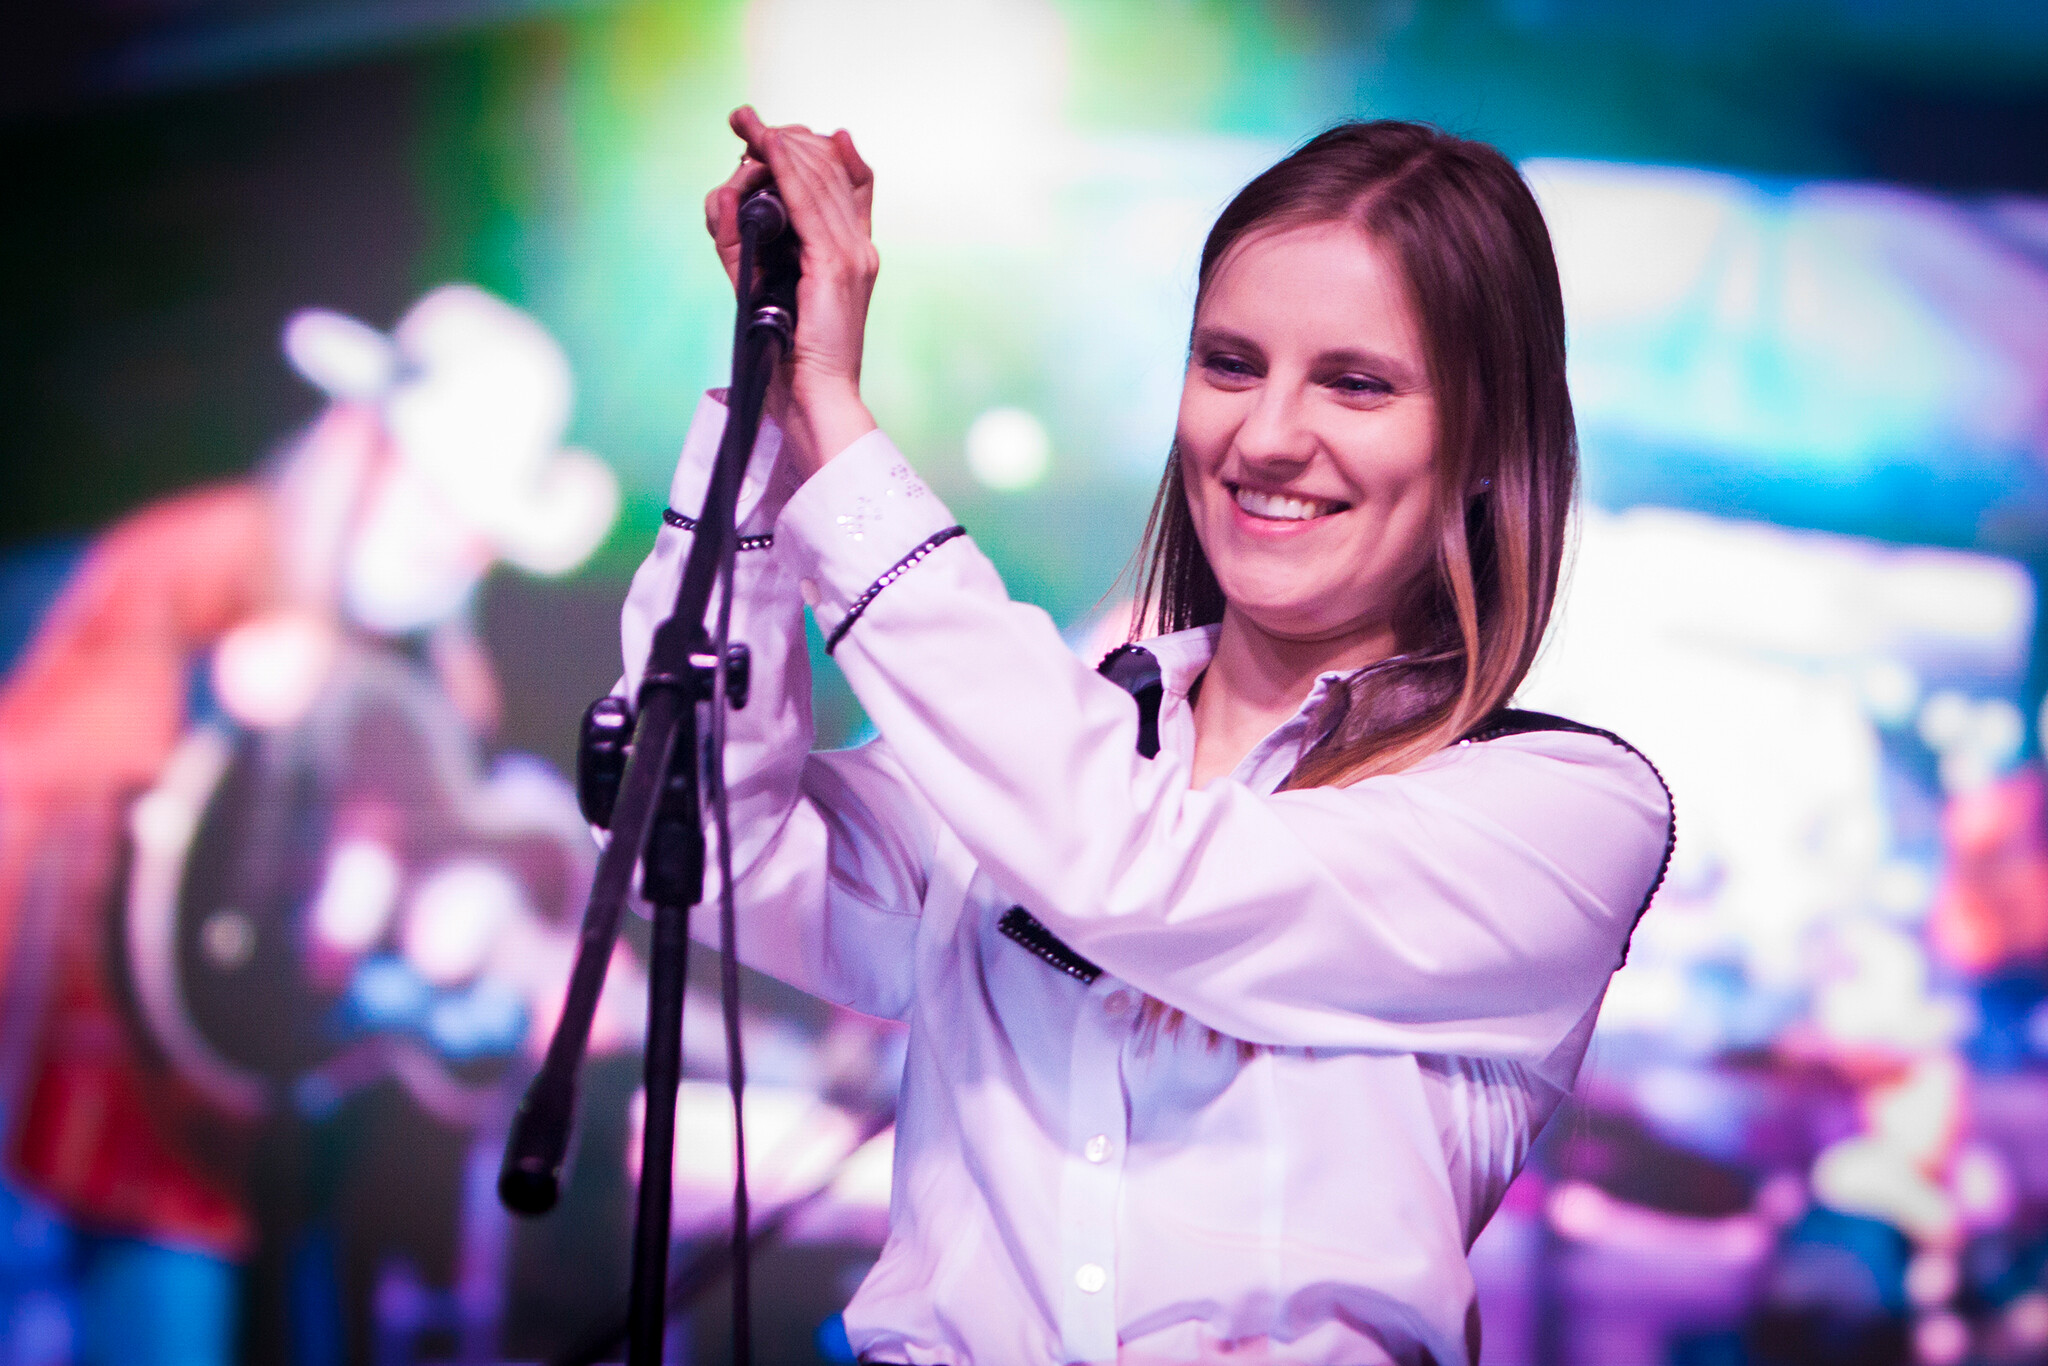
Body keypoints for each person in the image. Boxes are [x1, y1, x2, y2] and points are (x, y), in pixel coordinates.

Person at [616, 106, 1674, 1365]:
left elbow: (1133, 870)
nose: (1264, 436)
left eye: (1354, 383)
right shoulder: (1046, 758)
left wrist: (843, 435)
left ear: (1487, 444)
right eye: (1228, 364)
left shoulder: (1561, 808)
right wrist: (768, 410)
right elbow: (701, 846)